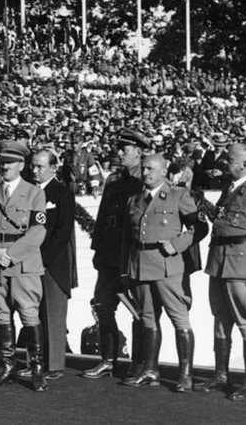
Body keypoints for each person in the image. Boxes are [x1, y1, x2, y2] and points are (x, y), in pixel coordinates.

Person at [195, 144, 246, 401]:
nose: (224, 163)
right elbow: (222, 221)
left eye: (229, 160)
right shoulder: (229, 189)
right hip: (220, 263)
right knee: (220, 320)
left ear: (243, 164)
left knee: (245, 322)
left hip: (242, 266)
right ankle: (221, 375)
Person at [0, 141, 48, 392]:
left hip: (23, 262)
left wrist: (11, 254)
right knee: (2, 316)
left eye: (10, 162)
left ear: (21, 165)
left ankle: (37, 369)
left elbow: (38, 231)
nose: (4, 166)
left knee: (29, 315)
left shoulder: (34, 192)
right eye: (2, 162)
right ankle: (8, 366)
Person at [120, 154, 198, 392]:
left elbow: (198, 228)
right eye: (143, 169)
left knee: (178, 317)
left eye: (151, 169)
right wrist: (125, 269)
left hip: (167, 266)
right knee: (147, 317)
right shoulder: (134, 199)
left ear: (164, 171)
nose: (145, 173)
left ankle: (185, 375)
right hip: (140, 264)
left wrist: (177, 244)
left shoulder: (179, 196)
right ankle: (150, 369)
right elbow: (126, 238)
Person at [82, 129, 148, 380]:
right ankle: (108, 360)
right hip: (109, 255)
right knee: (103, 306)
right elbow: (101, 219)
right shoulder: (113, 180)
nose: (119, 153)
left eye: (125, 149)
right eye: (119, 148)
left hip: (131, 256)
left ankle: (138, 363)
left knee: (137, 312)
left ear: (139, 152)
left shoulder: (145, 180)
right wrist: (97, 250)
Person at [17, 149, 76, 381]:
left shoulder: (61, 194)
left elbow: (63, 232)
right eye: (33, 166)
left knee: (52, 315)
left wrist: (41, 258)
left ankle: (54, 365)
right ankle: (34, 361)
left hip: (52, 264)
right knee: (31, 314)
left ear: (53, 168)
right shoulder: (27, 192)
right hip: (28, 261)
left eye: (40, 167)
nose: (35, 171)